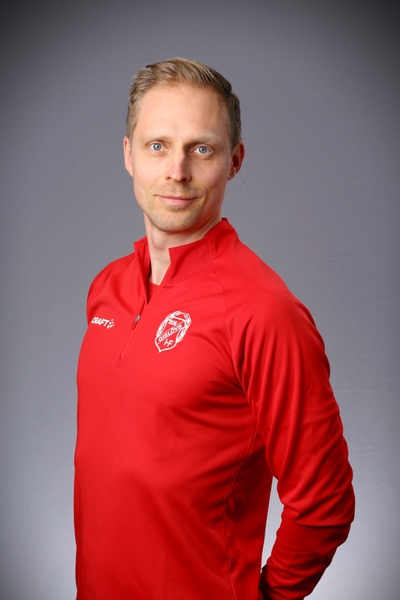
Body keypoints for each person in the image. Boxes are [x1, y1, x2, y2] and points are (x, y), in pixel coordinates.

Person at [74, 58, 355, 600]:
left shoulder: (264, 312)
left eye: (201, 149)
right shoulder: (107, 286)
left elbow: (325, 501)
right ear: (129, 154)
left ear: (235, 161)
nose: (177, 171)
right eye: (158, 146)